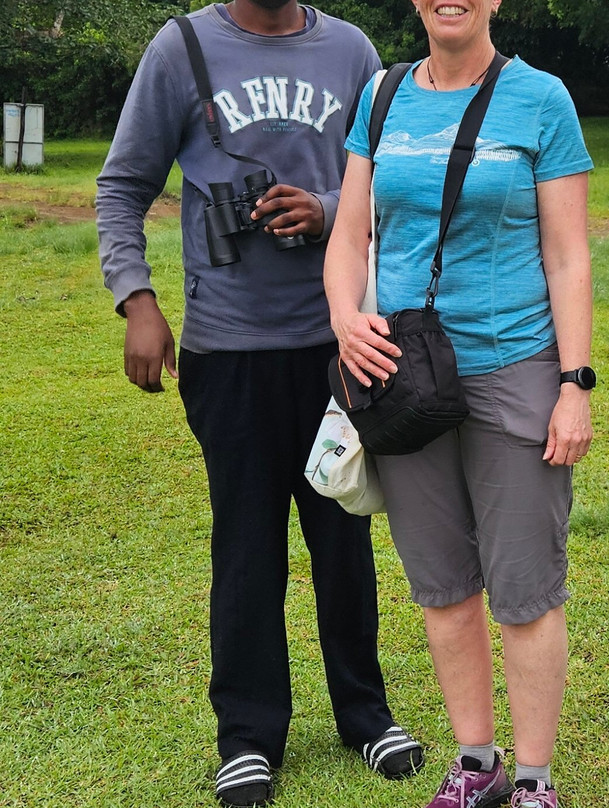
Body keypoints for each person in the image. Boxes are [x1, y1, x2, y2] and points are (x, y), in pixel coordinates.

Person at [95, 2, 425, 805]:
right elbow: (122, 185)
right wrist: (136, 299)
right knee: (246, 547)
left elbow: (386, 180)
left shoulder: (350, 50)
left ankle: (365, 715)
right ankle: (247, 735)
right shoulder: (180, 49)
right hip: (228, 349)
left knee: (343, 538)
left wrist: (322, 207)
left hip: (336, 344)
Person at [323, 2, 594, 806]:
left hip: (515, 366)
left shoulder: (540, 99)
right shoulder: (382, 96)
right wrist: (344, 317)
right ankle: (477, 764)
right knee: (441, 586)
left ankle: (537, 781)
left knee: (524, 589)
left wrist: (574, 386)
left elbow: (568, 253)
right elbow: (349, 236)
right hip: (403, 377)